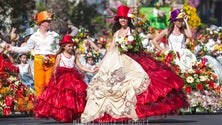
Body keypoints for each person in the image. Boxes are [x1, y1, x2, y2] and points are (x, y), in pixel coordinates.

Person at [81, 5, 189, 123]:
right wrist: (101, 63)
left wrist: (129, 46)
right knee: (111, 86)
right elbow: (111, 49)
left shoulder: (131, 31)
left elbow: (137, 46)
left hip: (130, 59)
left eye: (125, 18)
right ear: (118, 20)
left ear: (128, 19)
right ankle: (111, 114)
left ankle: (131, 113)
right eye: (121, 18)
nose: (123, 20)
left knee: (134, 85)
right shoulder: (116, 33)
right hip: (115, 60)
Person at [34, 35, 97, 122]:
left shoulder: (73, 56)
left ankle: (70, 115)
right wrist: (54, 77)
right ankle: (62, 115)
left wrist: (91, 70)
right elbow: (55, 67)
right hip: (61, 77)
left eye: (72, 46)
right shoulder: (60, 55)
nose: (71, 48)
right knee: (61, 96)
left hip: (72, 77)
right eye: (69, 46)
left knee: (71, 96)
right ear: (64, 46)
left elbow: (81, 67)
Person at [7, 11, 60, 97]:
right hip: (38, 61)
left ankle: (51, 108)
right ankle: (41, 107)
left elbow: (58, 50)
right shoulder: (34, 36)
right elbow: (26, 49)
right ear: (41, 23)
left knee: (50, 84)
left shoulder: (54, 35)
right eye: (48, 21)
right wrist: (12, 48)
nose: (50, 23)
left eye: (50, 21)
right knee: (39, 85)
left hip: (51, 60)